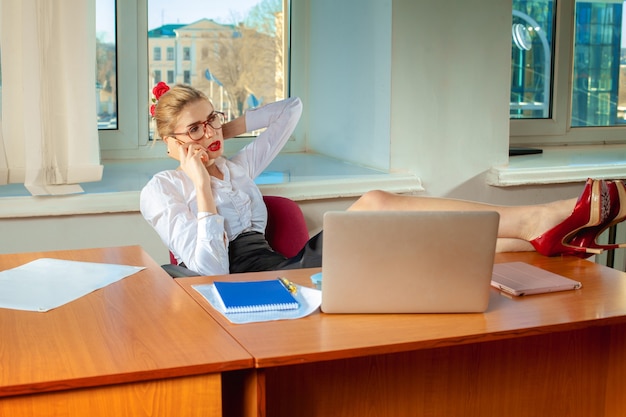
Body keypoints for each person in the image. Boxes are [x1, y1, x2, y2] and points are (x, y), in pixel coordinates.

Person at [140, 82, 625, 276]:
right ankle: (540, 219)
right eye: (196, 129)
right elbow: (207, 270)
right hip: (247, 292)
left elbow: (291, 110)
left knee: (414, 238)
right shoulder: (161, 190)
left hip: (288, 273)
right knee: (374, 202)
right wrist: (200, 186)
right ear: (170, 142)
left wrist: (232, 127)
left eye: (214, 119)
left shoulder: (238, 167)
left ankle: (547, 238)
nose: (211, 133)